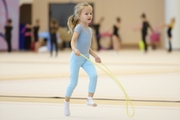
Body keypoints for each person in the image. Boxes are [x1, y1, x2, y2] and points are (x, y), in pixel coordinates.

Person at [64, 2, 101, 116]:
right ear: (79, 16)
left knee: (94, 75)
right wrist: (74, 49)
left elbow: (87, 47)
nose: (89, 15)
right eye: (86, 13)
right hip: (76, 58)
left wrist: (96, 56)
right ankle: (66, 103)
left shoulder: (90, 30)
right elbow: (73, 41)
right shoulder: (79, 27)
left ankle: (89, 99)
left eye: (91, 13)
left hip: (86, 58)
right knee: (73, 83)